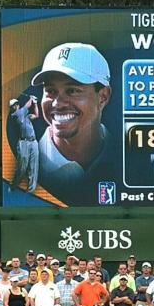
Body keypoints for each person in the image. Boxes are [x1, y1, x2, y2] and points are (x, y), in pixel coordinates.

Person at [31, 42, 113, 205]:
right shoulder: (24, 167)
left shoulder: (129, 157)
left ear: (103, 96)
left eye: (73, 90)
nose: (57, 104)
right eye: (51, 91)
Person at [9, 95, 40, 192]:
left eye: (16, 104)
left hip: (33, 142)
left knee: (34, 167)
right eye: (13, 105)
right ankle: (13, 185)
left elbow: (36, 115)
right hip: (23, 143)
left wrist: (35, 104)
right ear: (11, 108)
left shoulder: (25, 116)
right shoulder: (15, 115)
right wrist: (31, 99)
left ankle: (31, 190)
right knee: (22, 167)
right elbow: (26, 106)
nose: (16, 106)